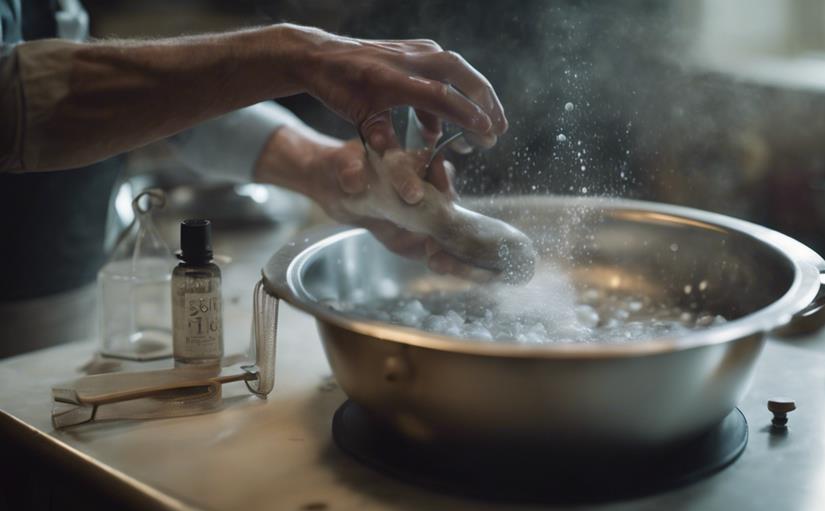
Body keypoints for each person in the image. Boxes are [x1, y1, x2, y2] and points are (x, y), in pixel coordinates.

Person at [0, 0, 507, 356]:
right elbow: (10, 101)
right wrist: (291, 54)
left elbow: (152, 99)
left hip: (65, 291)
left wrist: (326, 169)